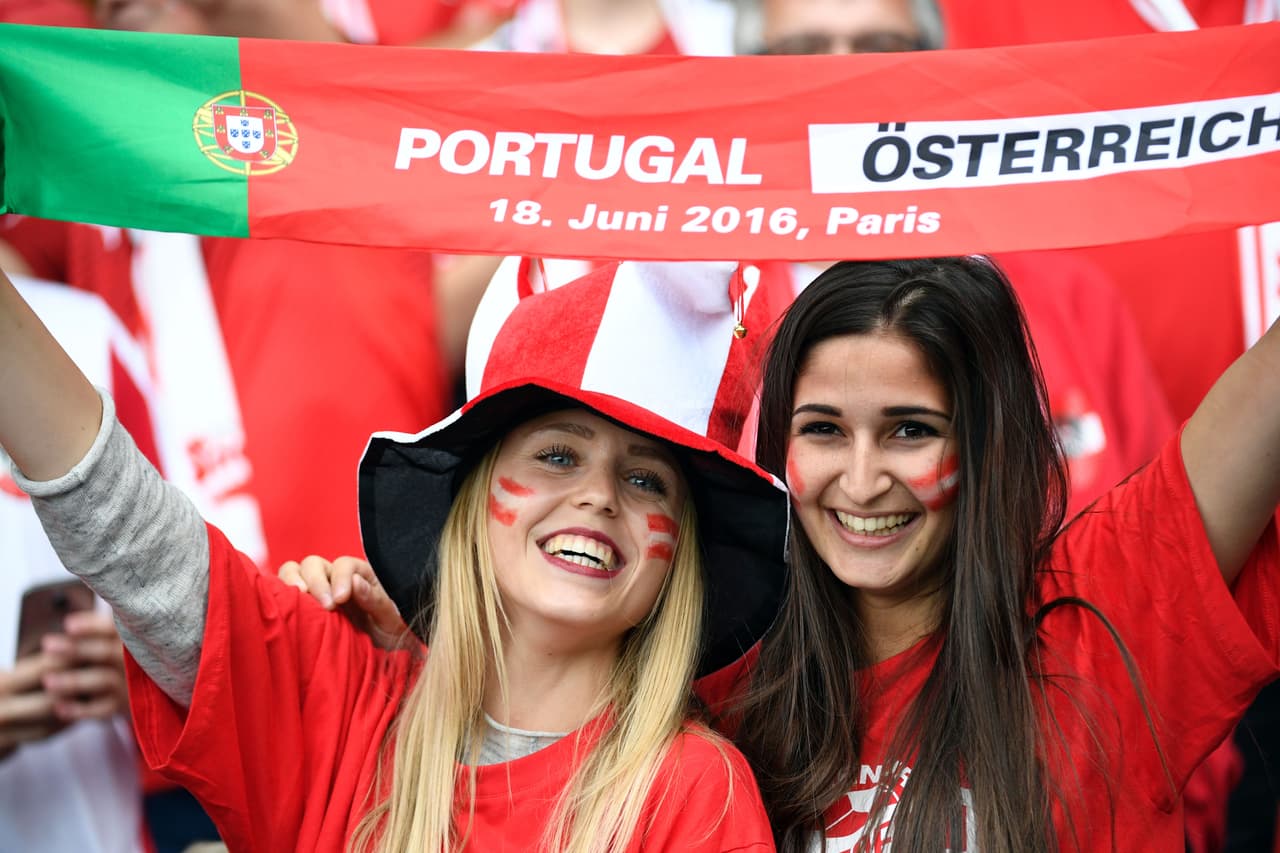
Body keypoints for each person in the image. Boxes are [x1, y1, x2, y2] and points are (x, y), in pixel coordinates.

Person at [0, 258, 788, 852]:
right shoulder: (344, 704)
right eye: (556, 455)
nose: (598, 496)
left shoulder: (697, 791)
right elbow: (124, 528)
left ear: (679, 551)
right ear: (473, 498)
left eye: (646, 477)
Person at [724, 256, 1280, 852]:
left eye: (911, 430)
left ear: (990, 445)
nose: (860, 484)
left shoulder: (1101, 622)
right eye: (823, 430)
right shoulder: (724, 683)